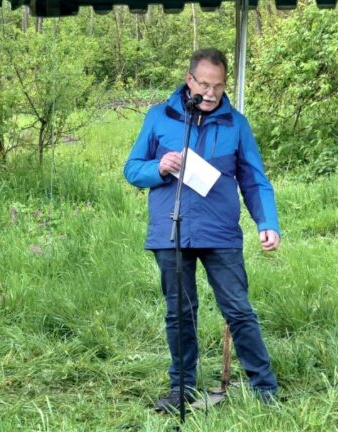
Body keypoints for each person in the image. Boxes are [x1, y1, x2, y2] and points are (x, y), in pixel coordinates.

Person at [123, 47, 280, 412]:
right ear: (189, 79)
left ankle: (265, 389)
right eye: (204, 85)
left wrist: (267, 222)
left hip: (221, 233)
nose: (211, 94)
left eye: (219, 86)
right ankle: (182, 388)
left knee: (238, 310)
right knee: (180, 312)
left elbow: (255, 181)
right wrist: (159, 166)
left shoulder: (236, 124)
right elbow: (131, 169)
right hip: (170, 232)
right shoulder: (159, 117)